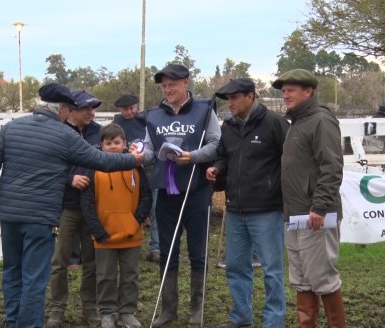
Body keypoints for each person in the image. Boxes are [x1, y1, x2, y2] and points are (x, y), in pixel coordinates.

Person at [0, 83, 144, 328]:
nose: (69, 116)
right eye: (69, 111)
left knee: (12, 271)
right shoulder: (64, 135)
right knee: (35, 277)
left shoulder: (11, 129)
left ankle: (12, 321)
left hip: (10, 215)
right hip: (40, 217)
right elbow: (100, 160)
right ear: (63, 109)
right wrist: (133, 159)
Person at [138, 63, 220, 326]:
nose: (167, 89)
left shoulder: (205, 110)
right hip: (166, 192)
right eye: (163, 85)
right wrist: (141, 156)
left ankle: (197, 308)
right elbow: (150, 149)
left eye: (172, 84)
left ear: (186, 82)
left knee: (197, 251)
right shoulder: (153, 115)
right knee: (167, 249)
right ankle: (168, 309)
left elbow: (216, 143)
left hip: (196, 191)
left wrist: (194, 157)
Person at [206, 78, 288, 328]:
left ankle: (273, 322)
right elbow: (224, 158)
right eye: (227, 99)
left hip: (267, 210)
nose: (229, 103)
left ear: (250, 96)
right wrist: (216, 170)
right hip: (235, 209)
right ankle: (241, 317)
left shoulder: (275, 123)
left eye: (233, 98)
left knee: (272, 270)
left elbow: (290, 161)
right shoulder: (228, 126)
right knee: (236, 267)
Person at [272, 69, 346, 327]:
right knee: (302, 279)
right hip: (296, 215)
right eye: (283, 91)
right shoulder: (297, 122)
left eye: (291, 90)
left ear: (308, 91)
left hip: (316, 217)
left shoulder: (321, 120)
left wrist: (320, 208)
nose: (285, 95)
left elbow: (332, 167)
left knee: (323, 278)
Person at [81, 123, 152, 328]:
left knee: (130, 276)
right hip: (104, 236)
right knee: (105, 276)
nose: (113, 146)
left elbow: (145, 197)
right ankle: (107, 313)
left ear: (124, 144)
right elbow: (87, 202)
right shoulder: (94, 170)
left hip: (131, 234)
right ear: (101, 145)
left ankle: (127, 312)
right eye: (108, 143)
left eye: (117, 142)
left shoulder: (136, 168)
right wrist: (97, 230)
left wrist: (135, 221)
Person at [47, 90, 104, 328]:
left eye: (93, 108)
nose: (91, 112)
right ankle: (57, 309)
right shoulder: (58, 132)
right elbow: (50, 165)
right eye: (86, 108)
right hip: (67, 206)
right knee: (59, 260)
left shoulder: (99, 133)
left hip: (93, 205)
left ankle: (89, 308)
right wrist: (70, 179)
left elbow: (106, 159)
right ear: (72, 110)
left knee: (92, 260)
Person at [113, 94, 160, 263]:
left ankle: (156, 248)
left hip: (150, 170)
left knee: (155, 210)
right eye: (126, 109)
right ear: (120, 110)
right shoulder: (116, 124)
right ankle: (126, 242)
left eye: (132, 108)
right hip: (128, 171)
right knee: (130, 208)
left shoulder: (148, 120)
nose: (130, 112)